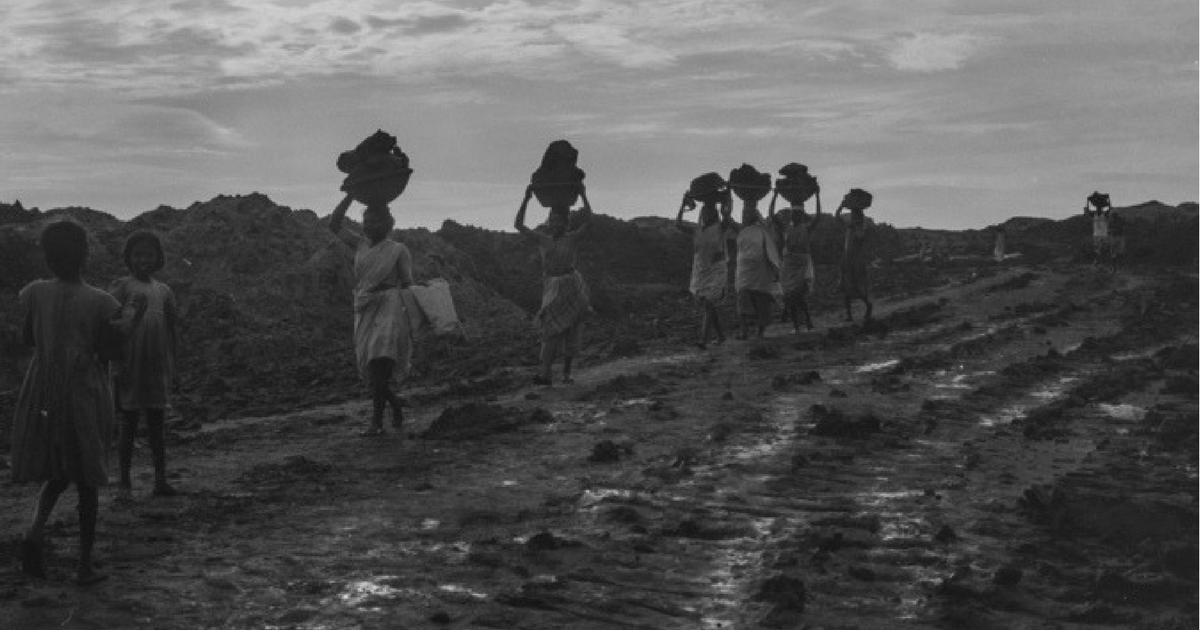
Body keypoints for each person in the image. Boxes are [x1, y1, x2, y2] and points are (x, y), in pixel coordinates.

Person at [11, 220, 136, 585]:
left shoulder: (34, 292)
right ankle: (84, 564)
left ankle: (34, 532)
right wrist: (132, 319)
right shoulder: (101, 301)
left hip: (44, 389)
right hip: (83, 390)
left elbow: (29, 338)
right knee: (88, 477)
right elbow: (110, 351)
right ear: (85, 255)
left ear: (48, 259)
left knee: (59, 471)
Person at [329, 195, 417, 437]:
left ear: (387, 224)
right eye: (365, 221)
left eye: (374, 221)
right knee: (371, 365)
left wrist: (416, 313)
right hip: (365, 307)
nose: (368, 225)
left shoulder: (398, 250)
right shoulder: (360, 244)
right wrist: (349, 196)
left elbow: (408, 283)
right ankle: (395, 404)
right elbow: (334, 224)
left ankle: (376, 422)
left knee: (380, 362)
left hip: (389, 307)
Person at [108, 230, 179, 497]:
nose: (143, 260)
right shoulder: (122, 286)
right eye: (137, 255)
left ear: (158, 257)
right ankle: (124, 481)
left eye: (148, 254)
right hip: (130, 366)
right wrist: (115, 361)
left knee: (157, 425)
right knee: (128, 424)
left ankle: (160, 480)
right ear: (129, 258)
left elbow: (172, 329)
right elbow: (110, 324)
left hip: (157, 366)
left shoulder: (164, 291)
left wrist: (175, 363)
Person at [515, 183, 593, 385]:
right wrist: (526, 199)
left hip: (571, 286)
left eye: (558, 221)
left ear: (566, 223)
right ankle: (546, 374)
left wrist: (583, 195)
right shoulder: (543, 239)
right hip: (552, 288)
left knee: (572, 330)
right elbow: (518, 225)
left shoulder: (572, 238)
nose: (554, 224)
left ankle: (567, 373)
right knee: (550, 331)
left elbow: (590, 222)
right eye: (551, 220)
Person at [675, 188, 734, 348]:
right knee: (709, 306)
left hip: (717, 270)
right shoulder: (697, 230)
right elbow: (678, 225)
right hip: (702, 271)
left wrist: (728, 197)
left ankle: (703, 340)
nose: (707, 215)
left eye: (710, 212)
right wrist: (683, 205)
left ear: (714, 214)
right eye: (705, 212)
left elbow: (728, 214)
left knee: (709, 303)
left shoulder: (721, 227)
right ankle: (721, 336)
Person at [768, 186, 822, 333]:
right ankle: (802, 324)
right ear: (792, 216)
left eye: (798, 214)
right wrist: (775, 195)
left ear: (802, 216)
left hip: (802, 265)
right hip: (788, 266)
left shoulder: (806, 228)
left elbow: (818, 216)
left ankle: (803, 324)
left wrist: (817, 196)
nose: (795, 216)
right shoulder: (786, 228)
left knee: (796, 296)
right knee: (791, 297)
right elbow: (772, 214)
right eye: (794, 214)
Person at [734, 200, 781, 339]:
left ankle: (760, 331)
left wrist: (774, 268)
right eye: (744, 213)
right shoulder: (741, 229)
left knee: (761, 298)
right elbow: (727, 218)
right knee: (742, 296)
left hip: (760, 269)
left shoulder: (762, 230)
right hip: (744, 270)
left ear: (754, 216)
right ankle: (744, 331)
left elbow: (770, 247)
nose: (745, 215)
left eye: (748, 213)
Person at [835, 201, 873, 321]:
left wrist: (856, 226)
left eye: (854, 215)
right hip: (848, 261)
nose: (852, 217)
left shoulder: (859, 229)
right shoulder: (850, 227)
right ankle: (850, 315)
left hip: (855, 263)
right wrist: (841, 206)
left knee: (857, 288)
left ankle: (868, 306)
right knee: (847, 290)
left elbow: (860, 240)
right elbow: (837, 217)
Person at [1084, 192, 1111, 266]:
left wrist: (1109, 199)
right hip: (1097, 235)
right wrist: (1087, 202)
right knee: (1097, 250)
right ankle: (1097, 261)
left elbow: (1110, 208)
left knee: (1105, 249)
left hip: (1104, 235)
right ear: (1096, 208)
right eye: (1098, 208)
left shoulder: (1104, 215)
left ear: (1102, 209)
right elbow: (1087, 210)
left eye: (1100, 208)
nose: (1099, 209)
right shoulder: (1094, 215)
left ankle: (1101, 262)